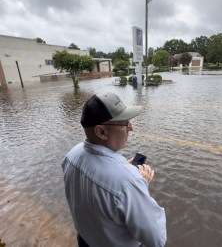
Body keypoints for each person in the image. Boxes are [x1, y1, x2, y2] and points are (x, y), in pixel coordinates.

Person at [61, 92, 167, 247]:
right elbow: (157, 240)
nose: (131, 127)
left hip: (84, 240)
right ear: (101, 132)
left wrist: (123, 168)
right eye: (125, 123)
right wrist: (141, 185)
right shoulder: (129, 182)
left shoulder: (71, 155)